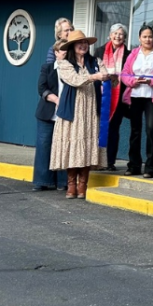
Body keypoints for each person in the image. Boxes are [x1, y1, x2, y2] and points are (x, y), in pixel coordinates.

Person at [50, 30, 109, 199]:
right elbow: (75, 80)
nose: (83, 45)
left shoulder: (96, 61)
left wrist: (110, 77)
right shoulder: (65, 64)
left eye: (85, 42)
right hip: (73, 109)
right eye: (79, 43)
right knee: (73, 146)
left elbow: (106, 76)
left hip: (91, 109)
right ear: (72, 46)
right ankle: (71, 185)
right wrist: (95, 77)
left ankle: (83, 185)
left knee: (88, 147)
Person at [120, 24, 153, 178]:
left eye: (150, 36)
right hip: (135, 96)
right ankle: (134, 165)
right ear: (139, 38)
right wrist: (131, 82)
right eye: (145, 37)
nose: (148, 39)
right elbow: (124, 73)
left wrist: (152, 81)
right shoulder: (133, 54)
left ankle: (151, 167)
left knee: (151, 129)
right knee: (135, 131)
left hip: (152, 96)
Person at [33, 40, 66, 191]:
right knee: (44, 146)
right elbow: (41, 88)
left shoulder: (74, 70)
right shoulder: (47, 68)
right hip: (47, 113)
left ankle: (62, 182)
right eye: (61, 50)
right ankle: (42, 181)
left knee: (63, 147)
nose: (64, 52)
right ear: (56, 53)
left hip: (65, 115)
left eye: (67, 50)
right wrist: (56, 99)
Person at [100, 24, 129, 172]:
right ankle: (97, 161)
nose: (118, 36)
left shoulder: (128, 54)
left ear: (125, 37)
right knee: (98, 129)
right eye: (115, 33)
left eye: (121, 34)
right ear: (110, 35)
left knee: (113, 130)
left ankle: (110, 161)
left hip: (119, 99)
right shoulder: (99, 51)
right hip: (101, 97)